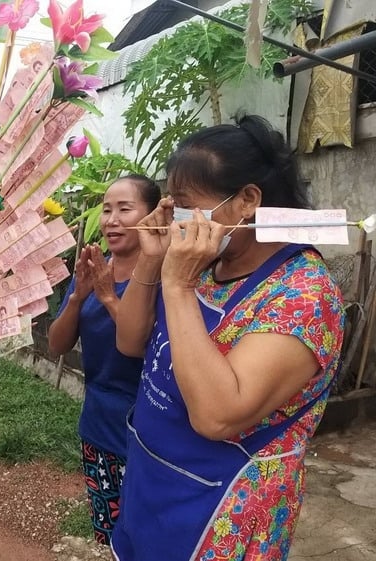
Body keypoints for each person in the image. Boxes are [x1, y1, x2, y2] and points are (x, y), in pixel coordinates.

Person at [109, 115, 344, 561]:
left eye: (186, 205)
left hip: (222, 511)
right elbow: (131, 342)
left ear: (246, 201)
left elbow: (217, 417)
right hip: (154, 483)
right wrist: (152, 260)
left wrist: (178, 286)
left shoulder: (303, 295)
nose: (176, 219)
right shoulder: (207, 264)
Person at [47, 175, 160, 544]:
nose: (112, 220)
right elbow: (57, 345)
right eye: (107, 210)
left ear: (152, 216)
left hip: (149, 434)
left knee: (149, 539)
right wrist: (78, 296)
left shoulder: (164, 280)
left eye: (124, 209)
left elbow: (146, 348)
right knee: (109, 536)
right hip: (98, 429)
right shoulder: (93, 271)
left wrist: (109, 297)